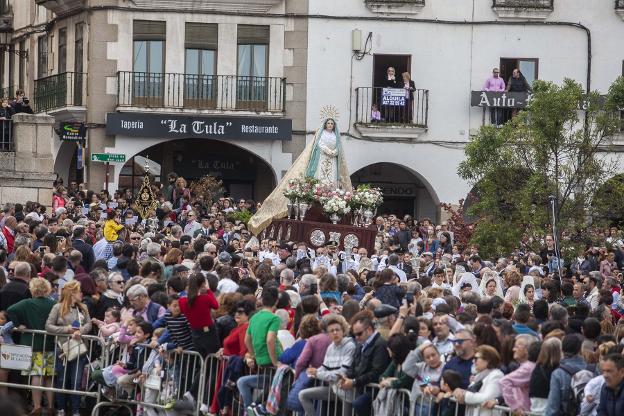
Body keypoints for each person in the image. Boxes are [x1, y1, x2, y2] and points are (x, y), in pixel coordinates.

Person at [248, 117, 351, 235]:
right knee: (320, 176)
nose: (330, 125)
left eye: (332, 123)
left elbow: (339, 147)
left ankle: (329, 192)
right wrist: (327, 150)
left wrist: (334, 152)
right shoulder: (321, 133)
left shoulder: (336, 136)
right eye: (328, 123)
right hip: (322, 158)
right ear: (325, 124)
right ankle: (318, 190)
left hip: (332, 160)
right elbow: (319, 144)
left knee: (330, 178)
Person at [7, 278, 56, 415]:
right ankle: (51, 406)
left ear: (32, 289)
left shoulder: (27, 303)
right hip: (50, 343)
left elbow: (11, 309)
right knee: (48, 377)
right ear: (47, 289)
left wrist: (19, 324)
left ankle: (37, 406)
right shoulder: (53, 303)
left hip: (32, 343)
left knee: (36, 375)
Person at [45, 280, 92, 416]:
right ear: (71, 293)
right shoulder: (57, 307)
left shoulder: (83, 307)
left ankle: (75, 410)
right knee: (61, 379)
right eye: (78, 291)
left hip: (79, 348)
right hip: (62, 349)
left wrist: (80, 331)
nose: (81, 293)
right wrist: (67, 329)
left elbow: (89, 324)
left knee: (76, 381)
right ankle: (61, 408)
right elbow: (48, 326)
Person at [299, 314, 356, 416]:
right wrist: (313, 371)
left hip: (346, 392)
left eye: (337, 330)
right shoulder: (330, 347)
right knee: (303, 395)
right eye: (331, 331)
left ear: (343, 331)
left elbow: (340, 374)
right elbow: (325, 367)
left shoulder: (350, 346)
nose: (335, 333)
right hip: (333, 389)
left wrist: (317, 373)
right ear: (328, 334)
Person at [237, 286, 281, 412]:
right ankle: (254, 410)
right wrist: (274, 361)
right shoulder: (274, 318)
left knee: (265, 387)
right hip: (274, 362)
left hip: (261, 361)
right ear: (276, 301)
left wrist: (254, 355)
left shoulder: (255, 317)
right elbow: (270, 339)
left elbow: (247, 340)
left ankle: (251, 409)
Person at [339, 311, 390, 416]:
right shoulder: (361, 344)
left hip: (374, 390)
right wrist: (346, 376)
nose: (356, 337)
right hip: (362, 388)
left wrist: (354, 382)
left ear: (369, 330)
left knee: (358, 404)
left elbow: (376, 372)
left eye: (359, 334)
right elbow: (353, 365)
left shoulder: (380, 344)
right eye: (354, 334)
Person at [452, 345, 504, 416]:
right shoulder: (478, 376)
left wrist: (464, 395)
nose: (473, 361)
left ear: (488, 360)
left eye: (476, 358)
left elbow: (488, 398)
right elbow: (470, 392)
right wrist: (460, 392)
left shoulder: (496, 375)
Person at [545, 333, 587, 416]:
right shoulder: (590, 369)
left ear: (562, 349)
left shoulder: (558, 373)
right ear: (579, 350)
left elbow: (553, 406)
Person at [178, 273, 219, 356]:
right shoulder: (205, 298)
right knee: (213, 359)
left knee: (203, 358)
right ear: (203, 284)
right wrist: (208, 290)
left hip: (195, 332)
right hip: (209, 332)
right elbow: (216, 306)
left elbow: (183, 311)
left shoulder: (182, 301)